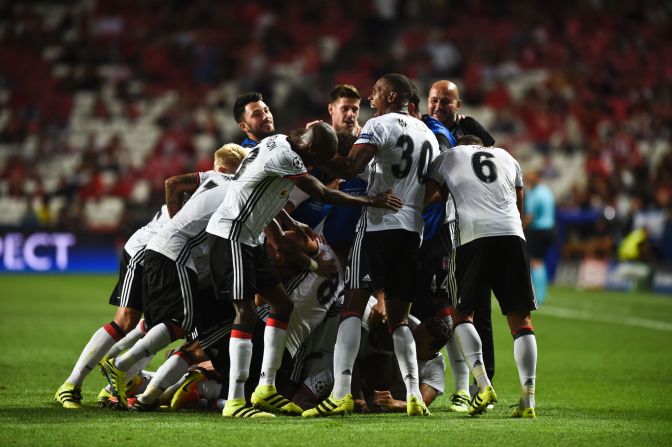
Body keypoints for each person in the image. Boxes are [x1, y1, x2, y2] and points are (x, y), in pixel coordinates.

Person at [205, 122, 402, 418]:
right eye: (317, 158)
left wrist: (287, 220)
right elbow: (322, 193)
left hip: (251, 235)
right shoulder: (288, 156)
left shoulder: (279, 141)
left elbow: (258, 188)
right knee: (245, 313)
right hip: (230, 233)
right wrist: (371, 201)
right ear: (309, 149)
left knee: (282, 305)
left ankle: (265, 389)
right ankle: (235, 400)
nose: (316, 165)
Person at [302, 73, 439, 417]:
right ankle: (412, 396)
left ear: (392, 95)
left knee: (352, 307)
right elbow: (435, 188)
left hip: (378, 226)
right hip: (412, 231)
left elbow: (349, 168)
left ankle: (341, 392)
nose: (371, 98)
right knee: (398, 318)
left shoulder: (378, 125)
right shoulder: (428, 135)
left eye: (376, 92)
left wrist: (312, 151)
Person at [99, 144, 248, 409]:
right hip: (175, 255)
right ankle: (120, 367)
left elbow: (173, 183)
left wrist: (176, 223)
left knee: (163, 321)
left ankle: (121, 376)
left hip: (160, 250)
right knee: (182, 320)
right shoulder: (236, 189)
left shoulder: (213, 178)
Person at [425, 135, 538, 419]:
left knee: (462, 314)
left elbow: (427, 198)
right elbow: (518, 204)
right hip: (512, 234)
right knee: (521, 320)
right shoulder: (508, 157)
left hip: (473, 235)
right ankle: (528, 401)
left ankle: (483, 384)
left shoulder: (447, 157)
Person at [428, 79, 497, 388]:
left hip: (467, 229)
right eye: (434, 100)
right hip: (432, 229)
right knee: (435, 307)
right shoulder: (421, 127)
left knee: (476, 308)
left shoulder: (470, 130)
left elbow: (490, 162)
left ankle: (482, 381)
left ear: (458, 105)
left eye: (445, 101)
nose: (438, 106)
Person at [523, 169, 556, 305]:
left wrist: (520, 226)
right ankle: (542, 294)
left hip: (538, 230)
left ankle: (539, 295)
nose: (527, 181)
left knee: (536, 262)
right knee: (540, 261)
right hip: (550, 229)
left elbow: (530, 217)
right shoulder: (547, 191)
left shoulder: (533, 194)